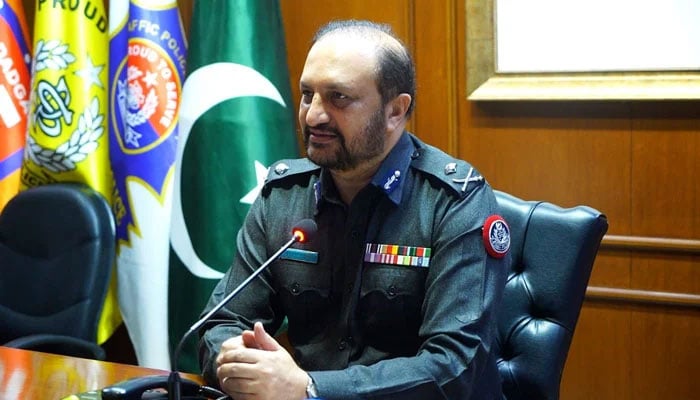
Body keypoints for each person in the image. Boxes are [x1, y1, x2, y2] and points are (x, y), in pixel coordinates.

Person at [198, 19, 509, 400]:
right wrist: (238, 363)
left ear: (395, 111)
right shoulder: (283, 195)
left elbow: (455, 366)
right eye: (307, 94)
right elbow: (223, 322)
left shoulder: (453, 202)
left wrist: (311, 389)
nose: (313, 115)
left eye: (338, 98)